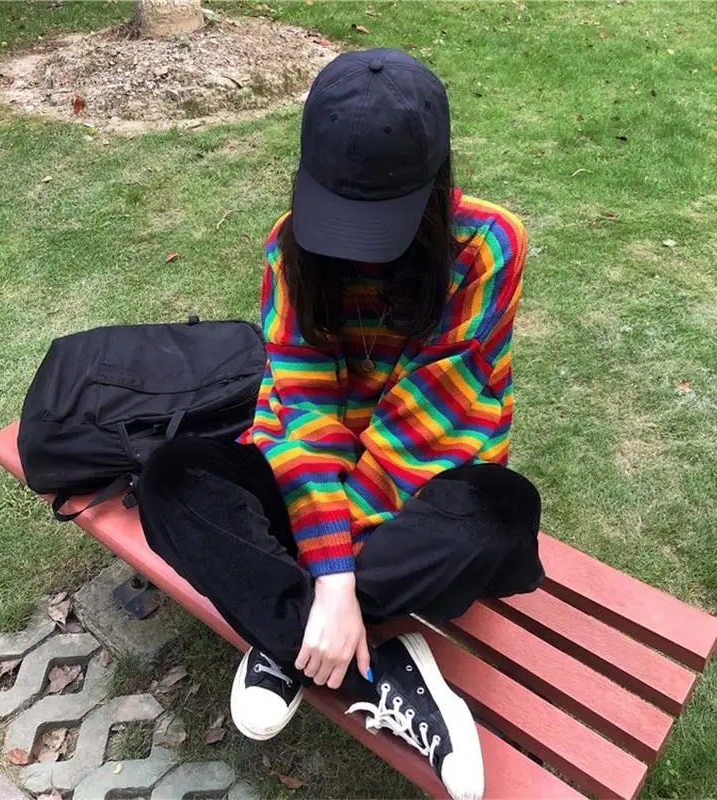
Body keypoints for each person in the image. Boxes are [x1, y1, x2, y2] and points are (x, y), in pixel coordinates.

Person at [138, 48, 544, 800]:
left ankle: (283, 638)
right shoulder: (287, 247)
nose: (355, 247)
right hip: (308, 477)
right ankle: (381, 671)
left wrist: (332, 573)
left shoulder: (489, 245)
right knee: (169, 481)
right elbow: (301, 406)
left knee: (501, 513)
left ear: (434, 185)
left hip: (423, 478)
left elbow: (425, 422)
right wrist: (329, 581)